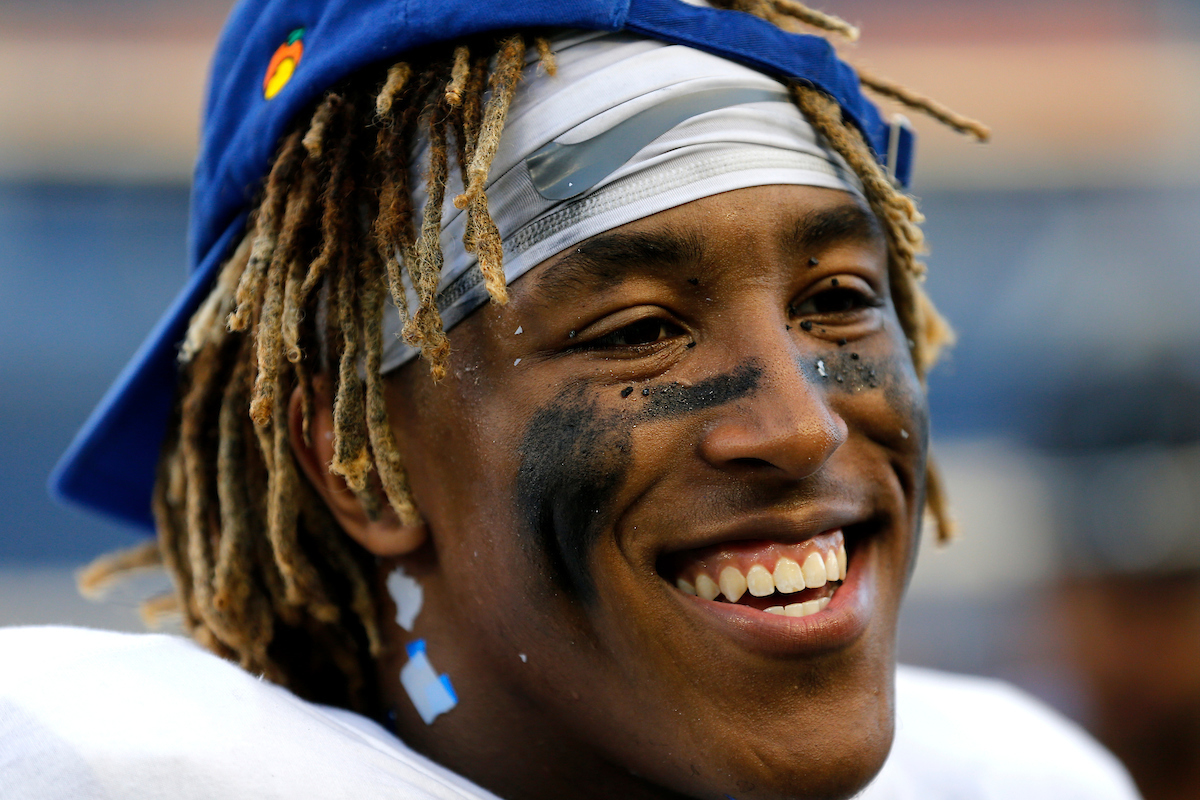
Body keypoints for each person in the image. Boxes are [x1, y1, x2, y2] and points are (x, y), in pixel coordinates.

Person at [1, 0, 1140, 798]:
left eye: (837, 299)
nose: (802, 423)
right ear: (358, 458)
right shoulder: (111, 767)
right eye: (639, 329)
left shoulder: (1019, 777)